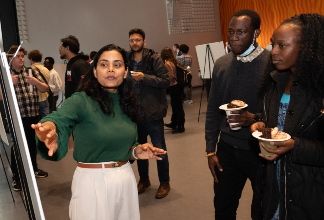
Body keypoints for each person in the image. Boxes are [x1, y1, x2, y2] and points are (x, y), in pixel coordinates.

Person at [32, 44, 167, 220]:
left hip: (125, 179)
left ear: (125, 71)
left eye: (117, 65)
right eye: (104, 64)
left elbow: (124, 141)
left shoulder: (128, 102)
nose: (111, 69)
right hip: (92, 183)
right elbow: (59, 118)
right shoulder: (81, 100)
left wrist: (135, 150)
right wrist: (50, 128)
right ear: (95, 71)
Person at [251, 14, 324, 220]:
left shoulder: (318, 90)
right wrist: (260, 123)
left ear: (307, 48)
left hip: (308, 195)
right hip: (274, 187)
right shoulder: (275, 81)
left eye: (282, 46)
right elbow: (278, 123)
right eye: (273, 44)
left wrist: (295, 146)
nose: (273, 52)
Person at [205, 9, 272, 220]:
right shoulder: (221, 64)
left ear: (256, 33)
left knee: (261, 209)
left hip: (259, 151)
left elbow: (282, 113)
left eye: (241, 32)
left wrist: (255, 118)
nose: (234, 37)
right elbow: (213, 109)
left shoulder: (272, 65)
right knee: (223, 207)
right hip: (226, 149)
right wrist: (210, 150)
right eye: (231, 31)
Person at [127, 28, 171, 199]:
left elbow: (165, 80)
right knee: (140, 149)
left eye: (138, 40)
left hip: (153, 113)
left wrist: (144, 77)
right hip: (135, 114)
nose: (134, 43)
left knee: (159, 149)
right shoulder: (128, 59)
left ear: (144, 41)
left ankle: (165, 182)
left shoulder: (154, 58)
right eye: (131, 40)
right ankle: (144, 180)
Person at [7, 45, 49, 191]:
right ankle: (16, 177)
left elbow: (45, 88)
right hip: (17, 117)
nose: (21, 59)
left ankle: (34, 169)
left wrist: (35, 82)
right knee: (18, 146)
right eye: (18, 56)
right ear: (11, 58)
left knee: (32, 143)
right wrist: (8, 85)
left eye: (22, 56)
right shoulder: (6, 74)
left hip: (33, 114)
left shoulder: (31, 71)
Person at [161, 47, 185, 133]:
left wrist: (164, 80)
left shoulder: (167, 63)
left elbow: (171, 76)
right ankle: (176, 123)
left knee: (176, 107)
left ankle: (180, 126)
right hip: (177, 86)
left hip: (173, 87)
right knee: (178, 106)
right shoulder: (173, 61)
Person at [28, 49, 51, 118]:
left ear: (31, 59)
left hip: (35, 99)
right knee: (45, 119)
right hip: (45, 97)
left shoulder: (30, 69)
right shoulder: (46, 69)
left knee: (36, 121)